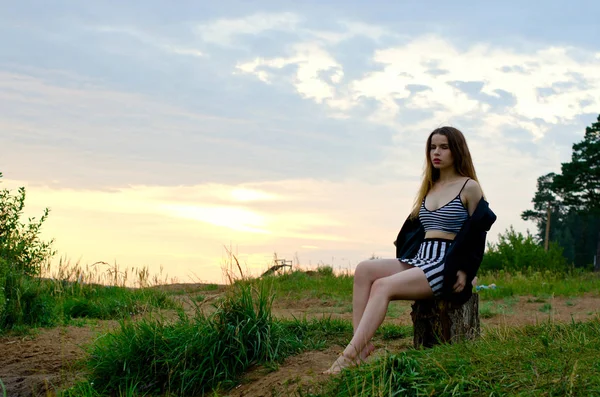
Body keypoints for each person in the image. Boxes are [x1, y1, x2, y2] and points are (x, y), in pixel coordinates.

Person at [324, 126, 497, 374]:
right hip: (421, 257)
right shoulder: (430, 186)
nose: (436, 152)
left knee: (382, 286)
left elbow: (479, 232)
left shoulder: (469, 187)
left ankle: (347, 357)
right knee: (364, 270)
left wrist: (466, 271)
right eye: (432, 147)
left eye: (444, 147)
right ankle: (360, 345)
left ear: (457, 151)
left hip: (444, 262)